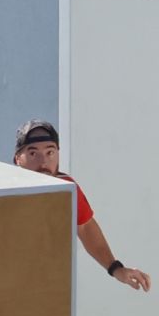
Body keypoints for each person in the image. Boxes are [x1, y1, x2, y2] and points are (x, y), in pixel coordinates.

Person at [13, 120, 151, 292]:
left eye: (50, 152)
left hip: (49, 291)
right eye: (33, 154)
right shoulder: (1, 190)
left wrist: (116, 269)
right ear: (18, 159)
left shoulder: (67, 189)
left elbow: (85, 228)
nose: (43, 163)